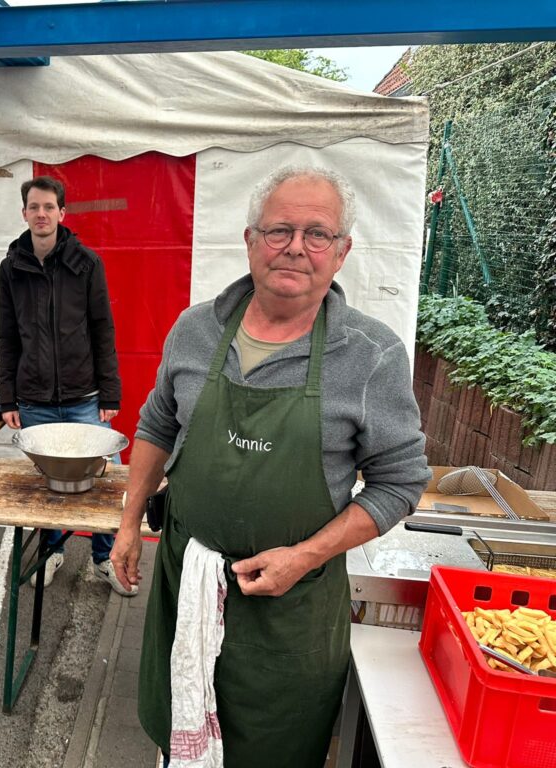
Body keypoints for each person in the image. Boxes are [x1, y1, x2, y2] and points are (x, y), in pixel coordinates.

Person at [109, 167, 432, 766]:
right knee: (179, 736)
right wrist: (129, 522)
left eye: (317, 234)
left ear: (342, 252)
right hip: (188, 587)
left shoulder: (371, 355)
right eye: (279, 229)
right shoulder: (195, 329)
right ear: (251, 240)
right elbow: (156, 424)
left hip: (290, 613)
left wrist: (305, 556)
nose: (295, 247)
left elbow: (401, 481)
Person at [0, 175, 135, 596]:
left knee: (102, 481)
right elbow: (8, 336)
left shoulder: (86, 263)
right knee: (46, 484)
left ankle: (105, 559)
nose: (41, 214)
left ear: (62, 212)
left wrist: (110, 392)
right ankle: (51, 552)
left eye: (48, 207)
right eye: (33, 207)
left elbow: (102, 329)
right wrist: (8, 397)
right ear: (24, 213)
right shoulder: (11, 268)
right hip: (33, 399)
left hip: (84, 398)